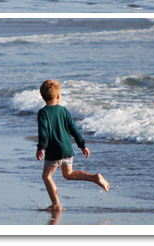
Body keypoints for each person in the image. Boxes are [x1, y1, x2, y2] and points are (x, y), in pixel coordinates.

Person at [35, 79, 109, 212]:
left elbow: (44, 132)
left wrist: (41, 147)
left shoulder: (43, 113)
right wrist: (82, 145)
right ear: (58, 96)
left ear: (42, 96)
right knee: (68, 174)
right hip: (68, 150)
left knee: (46, 176)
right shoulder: (64, 111)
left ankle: (56, 203)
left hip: (54, 151)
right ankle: (94, 177)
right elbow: (74, 129)